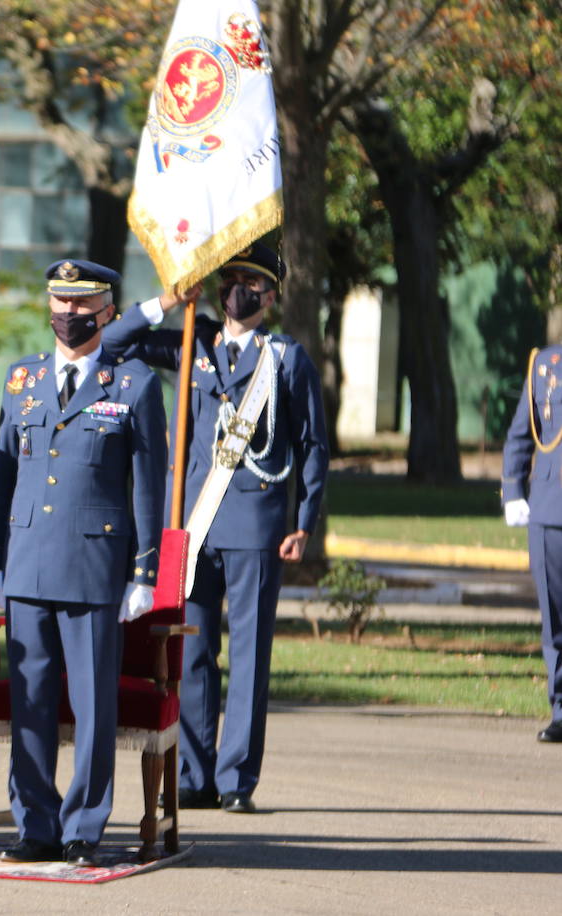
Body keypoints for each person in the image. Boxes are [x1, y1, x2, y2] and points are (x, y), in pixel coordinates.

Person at [99, 242, 329, 813]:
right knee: (193, 655)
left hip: (256, 524)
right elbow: (112, 344)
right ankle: (195, 775)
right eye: (231, 279)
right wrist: (166, 303)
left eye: (250, 283)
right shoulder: (192, 342)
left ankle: (235, 780)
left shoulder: (285, 358)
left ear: (270, 297)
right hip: (193, 528)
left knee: (249, 655)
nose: (236, 290)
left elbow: (313, 447)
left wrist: (305, 521)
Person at [0, 258, 167, 865]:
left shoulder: (134, 383)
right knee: (29, 701)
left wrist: (144, 573)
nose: (68, 314)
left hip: (94, 565)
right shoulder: (21, 379)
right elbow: (2, 475)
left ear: (108, 311)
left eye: (82, 304)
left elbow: (147, 487)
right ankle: (34, 825)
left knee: (92, 704)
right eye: (59, 302)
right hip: (28, 561)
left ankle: (83, 827)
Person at [501, 347, 562, 743]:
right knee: (555, 621)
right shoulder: (544, 365)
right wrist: (512, 491)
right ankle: (561, 709)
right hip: (548, 509)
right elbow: (521, 434)